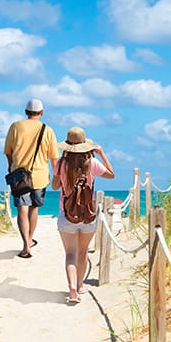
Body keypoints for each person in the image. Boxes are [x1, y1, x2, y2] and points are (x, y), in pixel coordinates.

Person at [52, 126, 115, 303]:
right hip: (88, 215)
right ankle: (80, 285)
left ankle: (72, 289)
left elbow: (55, 187)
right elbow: (111, 175)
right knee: (83, 251)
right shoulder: (92, 163)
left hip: (67, 215)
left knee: (70, 253)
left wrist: (58, 171)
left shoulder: (61, 164)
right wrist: (101, 153)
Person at [3, 98, 59, 258]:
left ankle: (26, 244)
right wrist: (57, 175)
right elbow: (54, 157)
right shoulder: (47, 130)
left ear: (26, 112)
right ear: (41, 112)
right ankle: (29, 239)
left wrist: (11, 166)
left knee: (22, 209)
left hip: (20, 175)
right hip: (40, 175)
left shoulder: (15, 126)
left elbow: (8, 151)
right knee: (34, 208)